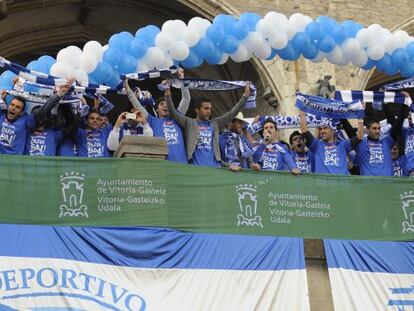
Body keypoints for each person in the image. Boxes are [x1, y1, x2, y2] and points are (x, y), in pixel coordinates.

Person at [166, 80, 251, 168]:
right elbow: (173, 113)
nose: (209, 111)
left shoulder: (215, 123)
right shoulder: (189, 123)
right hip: (196, 169)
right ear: (197, 110)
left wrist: (245, 97)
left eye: (210, 109)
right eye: (206, 108)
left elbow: (232, 113)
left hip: (215, 169)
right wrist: (167, 95)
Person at [124, 70, 190, 163]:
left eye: (167, 103)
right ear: (157, 109)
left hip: (182, 165)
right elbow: (137, 105)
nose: (165, 105)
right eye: (161, 104)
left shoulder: (177, 118)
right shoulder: (152, 121)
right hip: (162, 165)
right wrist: (127, 88)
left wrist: (182, 78)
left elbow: (186, 99)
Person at [0, 79, 73, 155]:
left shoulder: (26, 121)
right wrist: (15, 87)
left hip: (15, 163)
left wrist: (59, 94)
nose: (13, 108)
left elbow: (44, 110)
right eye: (12, 105)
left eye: (17, 107)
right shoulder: (2, 115)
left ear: (22, 113)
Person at [300, 111, 364, 175]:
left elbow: (359, 137)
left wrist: (360, 117)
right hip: (324, 184)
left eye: (325, 128)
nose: (322, 131)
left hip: (342, 183)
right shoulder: (317, 145)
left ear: (333, 131)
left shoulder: (342, 145)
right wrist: (302, 109)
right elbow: (304, 131)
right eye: (321, 129)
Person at [356, 102, 408, 177]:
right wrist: (359, 115)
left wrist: (404, 104)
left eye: (379, 128)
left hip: (388, 186)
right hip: (369, 186)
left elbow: (398, 124)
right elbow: (349, 130)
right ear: (367, 130)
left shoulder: (386, 142)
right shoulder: (360, 144)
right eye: (374, 128)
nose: (377, 131)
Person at [402, 112, 414, 177]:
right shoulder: (406, 131)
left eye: (411, 114)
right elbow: (395, 123)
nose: (410, 117)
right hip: (409, 171)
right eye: (408, 115)